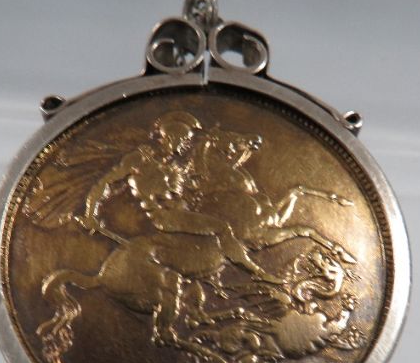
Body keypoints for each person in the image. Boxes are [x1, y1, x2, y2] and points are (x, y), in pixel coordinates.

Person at [79, 111, 282, 284]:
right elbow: (104, 183)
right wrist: (90, 213)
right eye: (183, 139)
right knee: (222, 228)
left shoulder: (178, 163)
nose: (185, 144)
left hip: (185, 208)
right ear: (170, 137)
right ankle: (254, 270)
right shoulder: (140, 159)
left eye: (187, 140)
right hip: (166, 215)